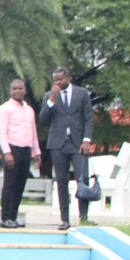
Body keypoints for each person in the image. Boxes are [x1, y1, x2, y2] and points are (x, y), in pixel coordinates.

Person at [38, 67, 94, 230]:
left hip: (78, 144)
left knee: (82, 179)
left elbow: (88, 118)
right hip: (57, 144)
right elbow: (43, 119)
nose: (57, 82)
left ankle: (84, 217)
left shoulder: (82, 93)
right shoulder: (49, 96)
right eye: (55, 80)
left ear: (68, 78)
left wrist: (86, 139)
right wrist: (51, 101)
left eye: (60, 79)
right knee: (61, 181)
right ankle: (64, 219)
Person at [0, 79, 42, 228]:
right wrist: (7, 152)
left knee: (20, 185)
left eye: (20, 88)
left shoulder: (29, 110)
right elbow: (2, 132)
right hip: (12, 150)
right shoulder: (5, 109)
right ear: (10, 90)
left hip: (26, 150)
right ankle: (5, 218)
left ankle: (14, 217)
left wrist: (37, 152)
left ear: (24, 90)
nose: (17, 91)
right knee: (10, 184)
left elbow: (33, 132)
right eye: (14, 89)